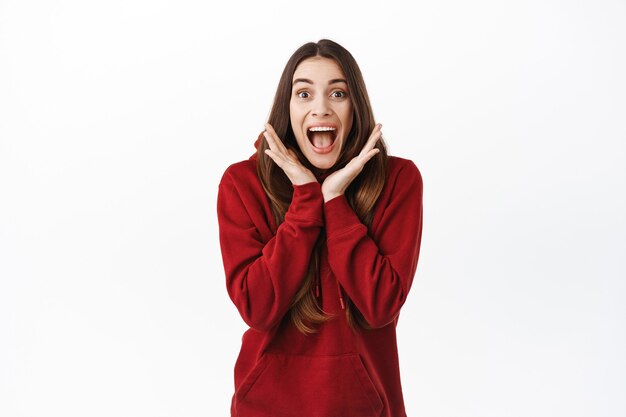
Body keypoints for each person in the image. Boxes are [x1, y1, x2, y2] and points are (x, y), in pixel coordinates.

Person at [217, 39, 423, 417]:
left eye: (338, 93)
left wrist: (335, 201)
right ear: (287, 108)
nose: (321, 107)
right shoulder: (242, 183)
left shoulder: (398, 180)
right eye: (304, 93)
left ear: (355, 106)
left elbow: (380, 306)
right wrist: (305, 201)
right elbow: (257, 308)